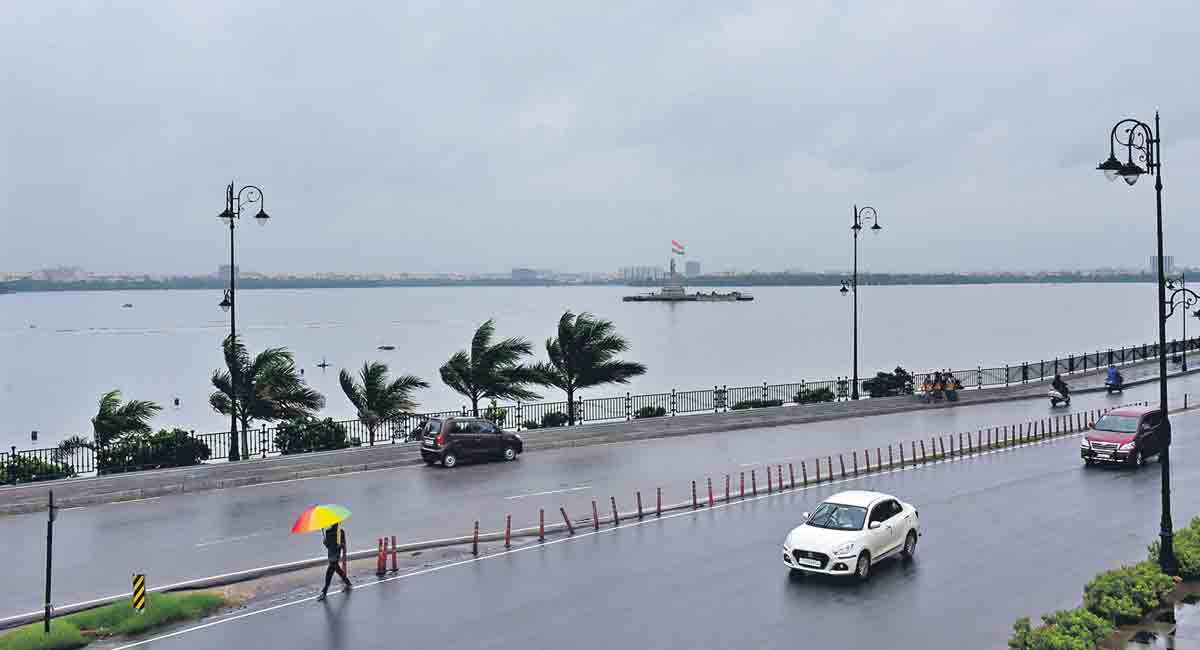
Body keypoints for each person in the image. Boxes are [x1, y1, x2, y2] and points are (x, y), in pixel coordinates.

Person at [318, 523, 352, 601]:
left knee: (329, 573)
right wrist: (325, 542)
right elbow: (328, 546)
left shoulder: (340, 532)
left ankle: (324, 592)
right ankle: (348, 583)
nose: (335, 525)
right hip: (331, 555)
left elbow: (343, 544)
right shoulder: (328, 532)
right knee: (338, 570)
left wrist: (340, 545)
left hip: (335, 556)